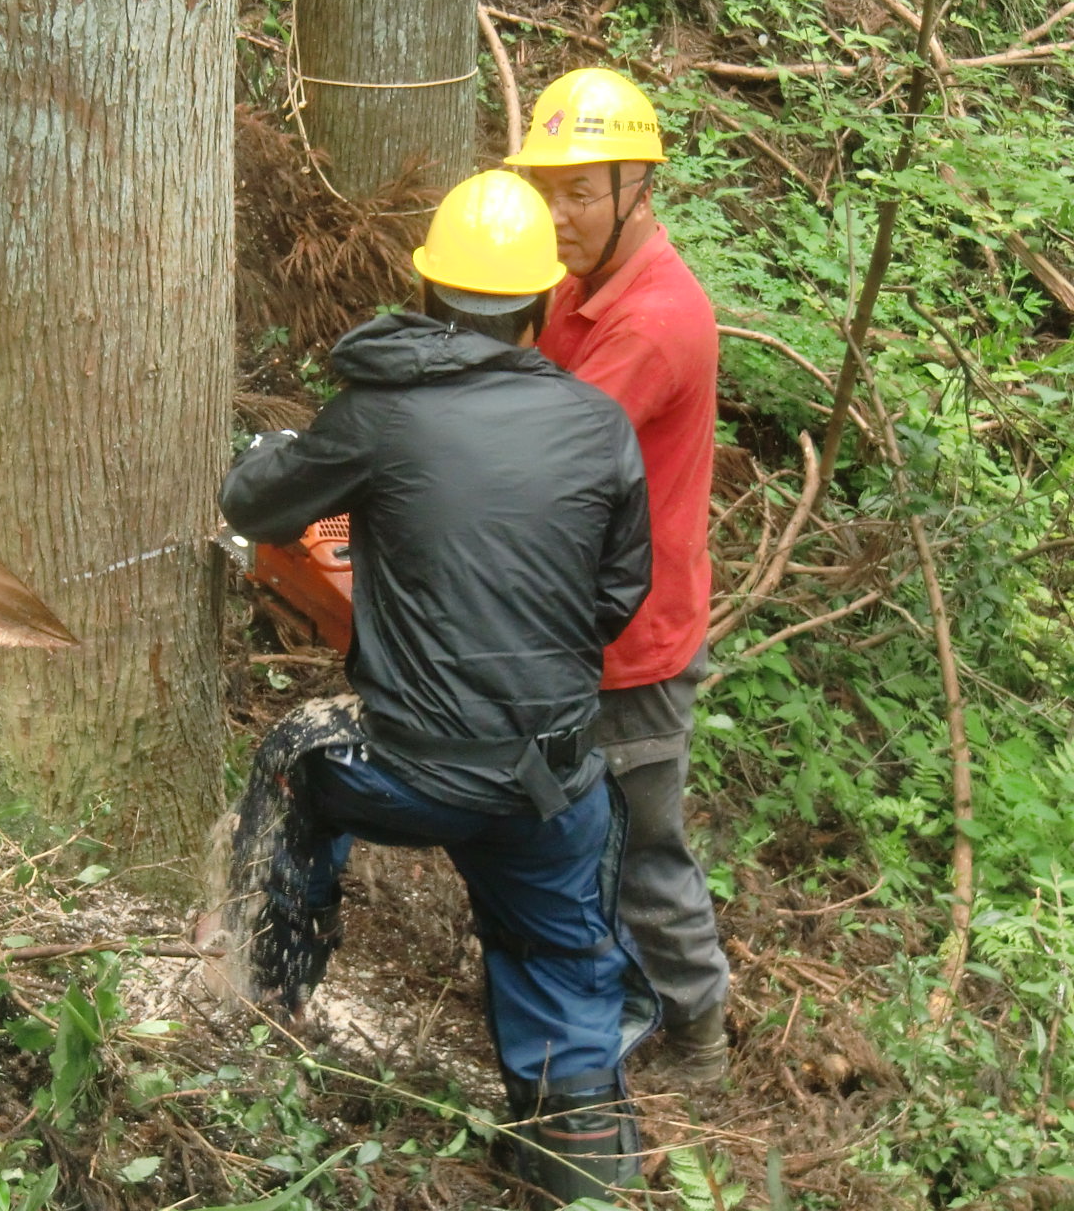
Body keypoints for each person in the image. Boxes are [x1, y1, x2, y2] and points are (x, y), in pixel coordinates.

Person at [219, 171, 658, 1200]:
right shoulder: (596, 425)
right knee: (561, 958)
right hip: (549, 781)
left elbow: (253, 502)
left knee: (294, 757)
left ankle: (252, 1018)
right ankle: (577, 1170)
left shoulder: (381, 416)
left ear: (424, 293)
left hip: (404, 771)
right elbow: (617, 595)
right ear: (540, 302)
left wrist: (282, 451)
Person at [503, 66, 731, 1087]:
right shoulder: (575, 285)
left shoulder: (649, 324)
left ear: (637, 188)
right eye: (544, 190)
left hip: (630, 642)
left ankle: (698, 1034)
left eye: (579, 194)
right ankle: (606, 1004)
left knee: (642, 850)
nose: (556, 215)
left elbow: (540, 455)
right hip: (573, 614)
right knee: (576, 839)